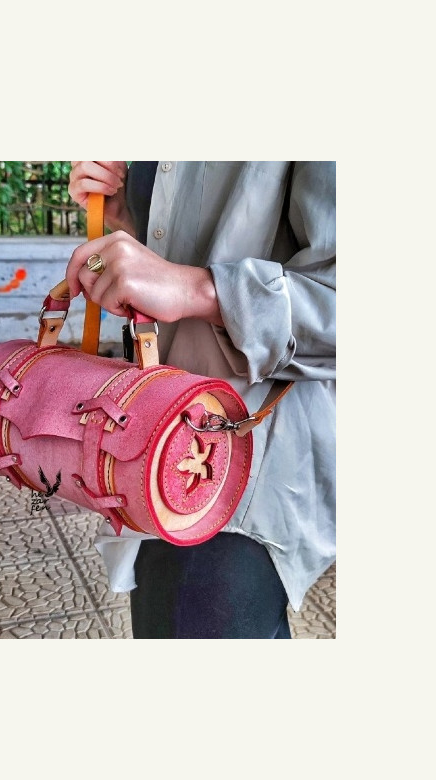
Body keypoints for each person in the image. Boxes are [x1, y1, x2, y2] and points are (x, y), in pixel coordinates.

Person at [66, 161, 336, 639]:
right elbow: (175, 257)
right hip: (152, 444)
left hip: (244, 467)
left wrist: (195, 288)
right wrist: (124, 216)